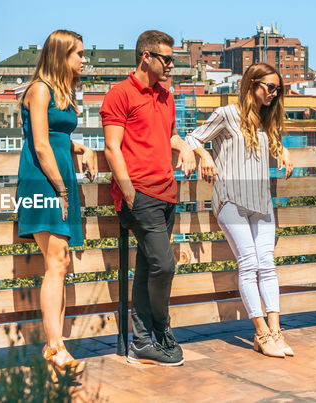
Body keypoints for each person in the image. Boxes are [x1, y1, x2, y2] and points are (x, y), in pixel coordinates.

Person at [185, 63, 296, 358]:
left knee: (267, 265)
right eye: (270, 87)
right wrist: (204, 154)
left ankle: (275, 331)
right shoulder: (226, 114)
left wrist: (283, 150)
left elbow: (271, 145)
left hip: (261, 201)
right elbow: (192, 137)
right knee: (249, 263)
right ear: (252, 84)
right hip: (231, 199)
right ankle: (260, 333)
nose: (274, 93)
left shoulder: (266, 119)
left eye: (278, 89)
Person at [100, 30, 197, 366]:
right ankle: (162, 328)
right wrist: (127, 188)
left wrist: (185, 146)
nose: (172, 65)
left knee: (148, 268)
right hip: (138, 194)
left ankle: (142, 341)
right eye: (166, 59)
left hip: (167, 192)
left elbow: (169, 135)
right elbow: (112, 147)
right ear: (146, 57)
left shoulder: (166, 96)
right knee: (164, 265)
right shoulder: (119, 94)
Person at [14, 29, 96, 376]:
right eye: (78, 53)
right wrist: (62, 190)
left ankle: (56, 348)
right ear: (60, 56)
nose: (83, 59)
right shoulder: (39, 89)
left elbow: (59, 137)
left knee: (60, 263)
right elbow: (41, 145)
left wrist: (83, 147)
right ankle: (55, 348)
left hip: (59, 179)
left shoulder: (62, 93)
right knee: (57, 262)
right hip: (44, 181)